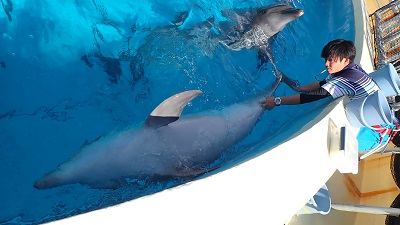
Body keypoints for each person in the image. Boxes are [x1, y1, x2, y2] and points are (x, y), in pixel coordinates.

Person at [260, 39, 380, 110]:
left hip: (372, 118)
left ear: (345, 60)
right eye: (326, 60)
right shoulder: (352, 68)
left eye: (331, 60)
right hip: (375, 102)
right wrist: (298, 88)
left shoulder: (344, 80)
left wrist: (276, 101)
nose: (326, 64)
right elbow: (323, 84)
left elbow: (311, 97)